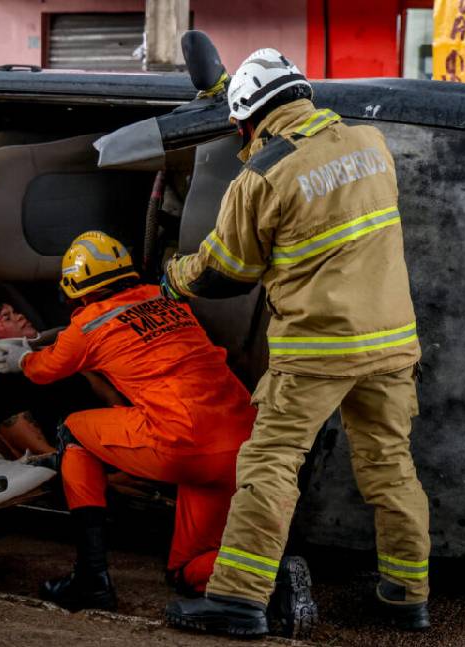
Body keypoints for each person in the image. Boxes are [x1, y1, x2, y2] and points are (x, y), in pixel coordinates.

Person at [161, 48, 430, 636]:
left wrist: (173, 274)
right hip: (391, 340)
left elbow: (224, 273)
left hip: (318, 348)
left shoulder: (262, 174)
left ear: (248, 119)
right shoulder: (370, 143)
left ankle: (236, 599)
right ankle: (407, 594)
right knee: (389, 465)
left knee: (270, 464)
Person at [0, 231, 283, 623]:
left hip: (184, 444)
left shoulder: (87, 326)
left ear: (75, 289)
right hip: (242, 441)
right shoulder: (164, 299)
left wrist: (13, 358)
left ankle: (91, 578)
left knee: (73, 433)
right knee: (187, 572)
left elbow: (41, 372)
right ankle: (270, 574)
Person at [0, 300, 111, 456]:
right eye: (7, 317)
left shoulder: (53, 355)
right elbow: (39, 449)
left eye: (15, 312)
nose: (19, 316)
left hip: (119, 432)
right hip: (87, 457)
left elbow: (106, 392)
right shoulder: (1, 386)